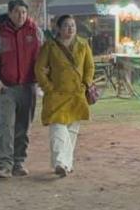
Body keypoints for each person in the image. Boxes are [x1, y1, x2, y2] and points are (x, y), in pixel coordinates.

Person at [0, 0, 43, 179]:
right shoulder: (0, 35)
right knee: (5, 126)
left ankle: (19, 162)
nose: (21, 15)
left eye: (24, 12)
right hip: (7, 89)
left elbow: (44, 58)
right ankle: (4, 164)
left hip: (29, 87)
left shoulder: (35, 32)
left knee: (23, 127)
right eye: (17, 12)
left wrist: (42, 83)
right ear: (10, 13)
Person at [34, 14, 94, 177]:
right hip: (56, 95)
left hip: (76, 94)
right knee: (58, 127)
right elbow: (39, 69)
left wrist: (86, 83)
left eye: (73, 25)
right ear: (58, 29)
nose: (70, 29)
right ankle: (60, 162)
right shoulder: (49, 46)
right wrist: (48, 87)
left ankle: (66, 164)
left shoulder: (83, 45)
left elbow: (89, 67)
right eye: (66, 25)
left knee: (72, 130)